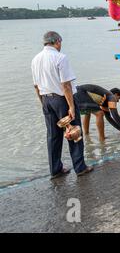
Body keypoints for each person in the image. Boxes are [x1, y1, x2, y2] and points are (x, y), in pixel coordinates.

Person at [31, 31, 93, 179]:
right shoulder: (60, 57)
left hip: (46, 99)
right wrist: (71, 106)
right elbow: (66, 85)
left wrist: (42, 103)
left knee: (53, 136)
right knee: (74, 131)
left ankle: (55, 169)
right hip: (61, 99)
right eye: (60, 43)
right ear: (57, 41)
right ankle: (80, 167)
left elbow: (36, 86)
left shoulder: (35, 59)